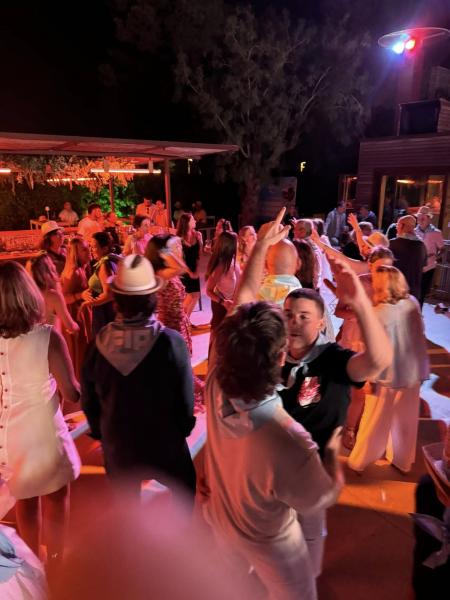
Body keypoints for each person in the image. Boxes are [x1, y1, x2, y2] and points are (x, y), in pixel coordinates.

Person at [236, 209, 392, 577]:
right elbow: (242, 301)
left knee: (307, 548)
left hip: (312, 475)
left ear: (322, 323)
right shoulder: (269, 353)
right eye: (289, 314)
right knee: (262, 544)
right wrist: (259, 249)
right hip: (267, 472)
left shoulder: (333, 360)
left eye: (304, 316)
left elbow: (376, 362)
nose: (293, 321)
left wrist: (361, 302)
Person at [202, 210, 345, 600]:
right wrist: (332, 455)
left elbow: (243, 300)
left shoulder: (216, 383)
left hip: (222, 518)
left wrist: (260, 247)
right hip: (270, 539)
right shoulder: (289, 437)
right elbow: (319, 496)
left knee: (226, 586)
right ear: (281, 356)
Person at [81, 254, 196, 499]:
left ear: (117, 299)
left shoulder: (97, 344)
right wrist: (183, 428)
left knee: (127, 508)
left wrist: (102, 433)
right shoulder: (170, 342)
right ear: (152, 297)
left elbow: (89, 402)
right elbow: (186, 401)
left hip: (119, 445)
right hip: (165, 442)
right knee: (185, 491)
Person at [0, 261, 80, 576]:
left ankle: (33, 564)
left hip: (12, 433)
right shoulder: (48, 337)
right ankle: (57, 561)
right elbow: (72, 392)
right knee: (56, 497)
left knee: (26, 500)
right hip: (44, 432)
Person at [348, 266, 429, 474]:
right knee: (405, 420)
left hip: (386, 376)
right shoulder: (412, 303)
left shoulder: (378, 313)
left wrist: (368, 378)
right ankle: (402, 461)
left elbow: (371, 349)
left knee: (374, 420)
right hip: (412, 373)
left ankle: (360, 461)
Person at [145, 234, 205, 413]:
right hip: (171, 327)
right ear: (163, 253)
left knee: (182, 364)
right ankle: (181, 403)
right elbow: (182, 267)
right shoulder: (160, 274)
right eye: (175, 246)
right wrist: (167, 252)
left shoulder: (166, 272)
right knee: (177, 368)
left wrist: (184, 315)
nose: (180, 249)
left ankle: (185, 397)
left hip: (179, 323)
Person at [61, 237, 92, 380]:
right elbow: (63, 298)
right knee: (78, 351)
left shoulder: (83, 268)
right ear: (75, 253)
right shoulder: (73, 272)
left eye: (88, 247)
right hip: (74, 316)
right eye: (84, 250)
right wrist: (80, 295)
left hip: (81, 313)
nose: (89, 251)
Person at [26, 252, 79, 335]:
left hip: (32, 341)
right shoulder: (53, 296)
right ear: (48, 270)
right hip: (50, 341)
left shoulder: (26, 295)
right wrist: (78, 327)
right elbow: (70, 326)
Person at [80, 232, 119, 337]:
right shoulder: (111, 259)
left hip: (104, 312)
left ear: (104, 249)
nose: (91, 250)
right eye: (90, 246)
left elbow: (109, 294)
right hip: (108, 310)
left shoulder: (104, 265)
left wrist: (87, 304)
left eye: (94, 247)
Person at [206, 231, 240, 334]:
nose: (238, 244)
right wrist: (223, 302)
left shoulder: (234, 261)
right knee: (217, 335)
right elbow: (208, 291)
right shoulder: (221, 267)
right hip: (221, 306)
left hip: (232, 305)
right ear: (231, 246)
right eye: (237, 242)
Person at [389, 215, 427, 301]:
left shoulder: (393, 244)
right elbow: (424, 267)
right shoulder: (421, 246)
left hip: (396, 291)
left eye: (397, 225)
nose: (396, 228)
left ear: (402, 226)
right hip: (414, 293)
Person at [415, 206, 445, 307]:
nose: (420, 220)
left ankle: (418, 312)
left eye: (423, 218)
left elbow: (442, 250)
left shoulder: (436, 233)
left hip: (428, 267)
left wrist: (434, 257)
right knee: (413, 292)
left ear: (429, 218)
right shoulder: (414, 231)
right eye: (419, 217)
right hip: (416, 266)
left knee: (422, 293)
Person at [177, 213, 203, 320]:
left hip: (194, 268)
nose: (195, 221)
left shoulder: (197, 235)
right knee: (189, 296)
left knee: (196, 295)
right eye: (193, 220)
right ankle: (181, 320)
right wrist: (190, 273)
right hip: (184, 270)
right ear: (187, 223)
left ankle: (186, 320)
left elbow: (199, 255)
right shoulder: (179, 239)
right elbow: (179, 260)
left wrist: (197, 270)